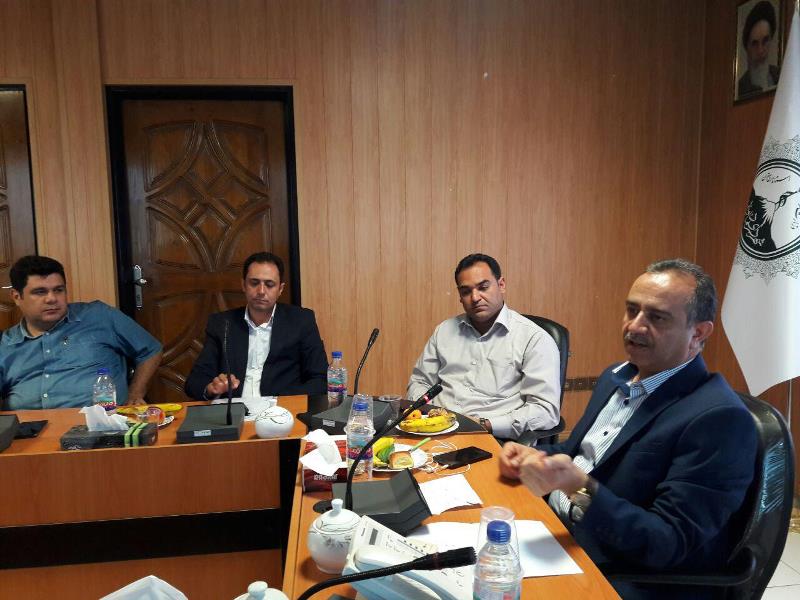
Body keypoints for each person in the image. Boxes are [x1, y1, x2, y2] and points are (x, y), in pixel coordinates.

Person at [499, 259, 757, 599]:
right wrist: (532, 454)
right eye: (632, 310)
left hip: (618, 572)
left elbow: (666, 543)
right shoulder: (615, 376)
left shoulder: (719, 419)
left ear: (698, 333)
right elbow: (581, 454)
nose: (634, 326)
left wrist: (579, 488)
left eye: (657, 317)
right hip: (555, 533)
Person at [407, 253, 561, 440]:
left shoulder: (534, 338)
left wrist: (484, 424)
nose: (475, 297)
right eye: (466, 291)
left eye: (483, 287)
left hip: (492, 436)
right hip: (436, 430)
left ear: (501, 285)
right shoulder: (444, 331)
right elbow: (420, 382)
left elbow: (545, 411)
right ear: (460, 296)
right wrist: (428, 415)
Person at [0, 255, 162, 410]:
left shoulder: (100, 316)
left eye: (58, 290)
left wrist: (135, 394)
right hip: (27, 426)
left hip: (99, 424)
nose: (52, 299)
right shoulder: (5, 344)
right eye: (40, 292)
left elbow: (150, 350)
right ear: (16, 296)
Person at [184, 251, 327, 400]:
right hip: (233, 409)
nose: (261, 291)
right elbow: (195, 381)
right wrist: (211, 389)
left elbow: (320, 379)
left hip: (281, 409)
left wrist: (283, 401)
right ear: (243, 285)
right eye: (254, 283)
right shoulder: (222, 324)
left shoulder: (301, 321)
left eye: (269, 285)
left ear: (280, 289)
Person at [738, 0, 780, 98]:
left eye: (765, 41)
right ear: (747, 48)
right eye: (754, 44)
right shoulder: (741, 87)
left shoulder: (781, 75)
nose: (760, 50)